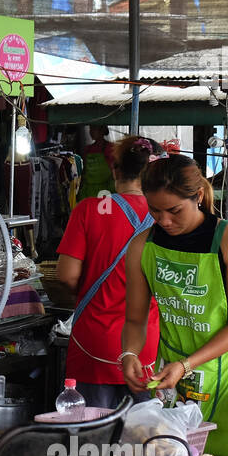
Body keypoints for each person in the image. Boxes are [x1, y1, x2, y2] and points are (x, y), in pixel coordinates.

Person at [120, 154, 228, 456]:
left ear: (197, 197)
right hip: (170, 376)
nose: (164, 221)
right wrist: (129, 353)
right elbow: (134, 319)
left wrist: (187, 364)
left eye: (174, 210)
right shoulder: (142, 245)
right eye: (155, 212)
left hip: (223, 373)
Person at [55, 136, 162, 408]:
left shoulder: (89, 210)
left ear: (115, 170)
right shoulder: (167, 217)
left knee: (92, 438)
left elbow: (66, 275)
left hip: (93, 343)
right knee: (142, 438)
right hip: (144, 348)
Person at [76, 124, 116, 202]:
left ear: (102, 131)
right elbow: (84, 171)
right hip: (88, 190)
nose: (90, 132)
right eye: (90, 129)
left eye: (93, 129)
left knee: (104, 212)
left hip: (105, 190)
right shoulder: (87, 149)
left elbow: (115, 169)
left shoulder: (111, 148)